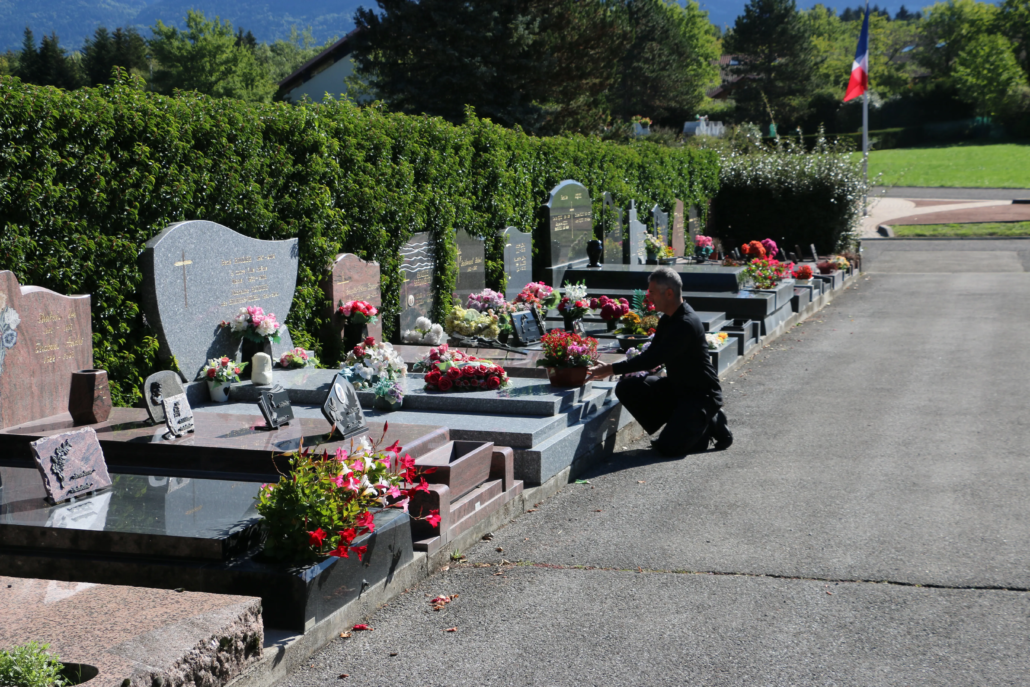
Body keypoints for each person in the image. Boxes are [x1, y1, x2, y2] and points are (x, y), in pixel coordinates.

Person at [586, 267, 731, 456]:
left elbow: (654, 359)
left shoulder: (685, 323)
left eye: (652, 292)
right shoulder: (668, 319)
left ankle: (711, 421)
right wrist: (614, 369)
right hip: (678, 390)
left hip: (700, 396)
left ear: (669, 293)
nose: (649, 297)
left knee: (668, 448)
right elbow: (652, 352)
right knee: (627, 388)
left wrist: (611, 369)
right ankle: (685, 423)